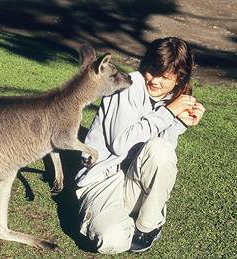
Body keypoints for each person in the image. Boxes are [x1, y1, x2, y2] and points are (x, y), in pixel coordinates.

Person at [74, 37, 206, 254]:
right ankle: (118, 220)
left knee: (161, 150)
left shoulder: (176, 99)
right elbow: (120, 144)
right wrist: (168, 113)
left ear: (179, 78)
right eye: (152, 71)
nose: (154, 80)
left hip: (133, 183)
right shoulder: (127, 86)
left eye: (164, 77)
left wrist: (180, 122)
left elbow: (162, 153)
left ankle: (147, 226)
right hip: (102, 179)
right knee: (112, 240)